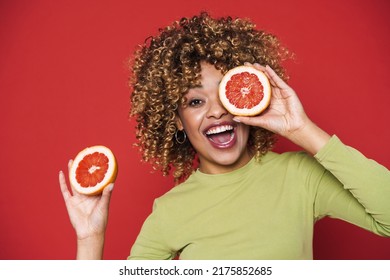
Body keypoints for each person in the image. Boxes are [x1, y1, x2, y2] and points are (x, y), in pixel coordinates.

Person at [59, 12, 390, 260]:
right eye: (195, 101)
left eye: (226, 94)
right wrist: (91, 237)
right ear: (176, 120)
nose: (216, 111)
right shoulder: (170, 210)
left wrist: (302, 129)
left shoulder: (298, 176)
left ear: (249, 99)